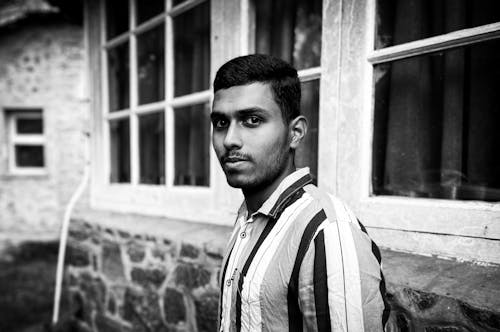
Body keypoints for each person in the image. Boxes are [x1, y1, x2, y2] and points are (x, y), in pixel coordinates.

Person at [211, 54, 390, 332]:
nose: (230, 140)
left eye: (252, 120)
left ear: (295, 133)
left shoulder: (326, 231)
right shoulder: (249, 215)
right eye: (221, 123)